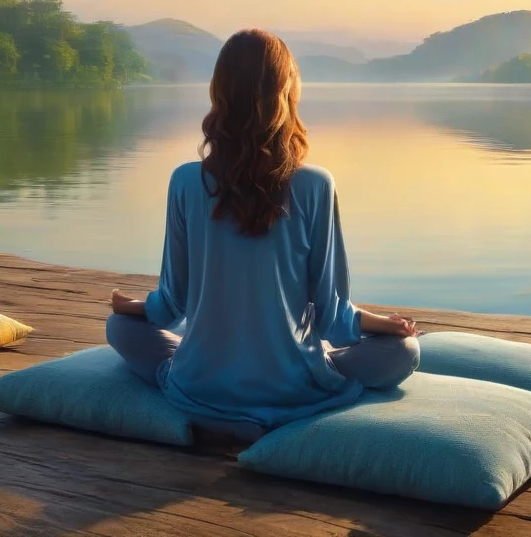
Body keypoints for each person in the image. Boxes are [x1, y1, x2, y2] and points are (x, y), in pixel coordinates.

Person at [107, 29, 420, 442]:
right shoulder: (315, 185)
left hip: (200, 386)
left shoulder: (185, 181)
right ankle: (286, 378)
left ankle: (223, 400)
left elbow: (171, 306)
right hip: (293, 390)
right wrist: (386, 325)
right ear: (286, 91)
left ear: (219, 93)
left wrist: (133, 309)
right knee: (403, 352)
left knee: (119, 329)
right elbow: (332, 317)